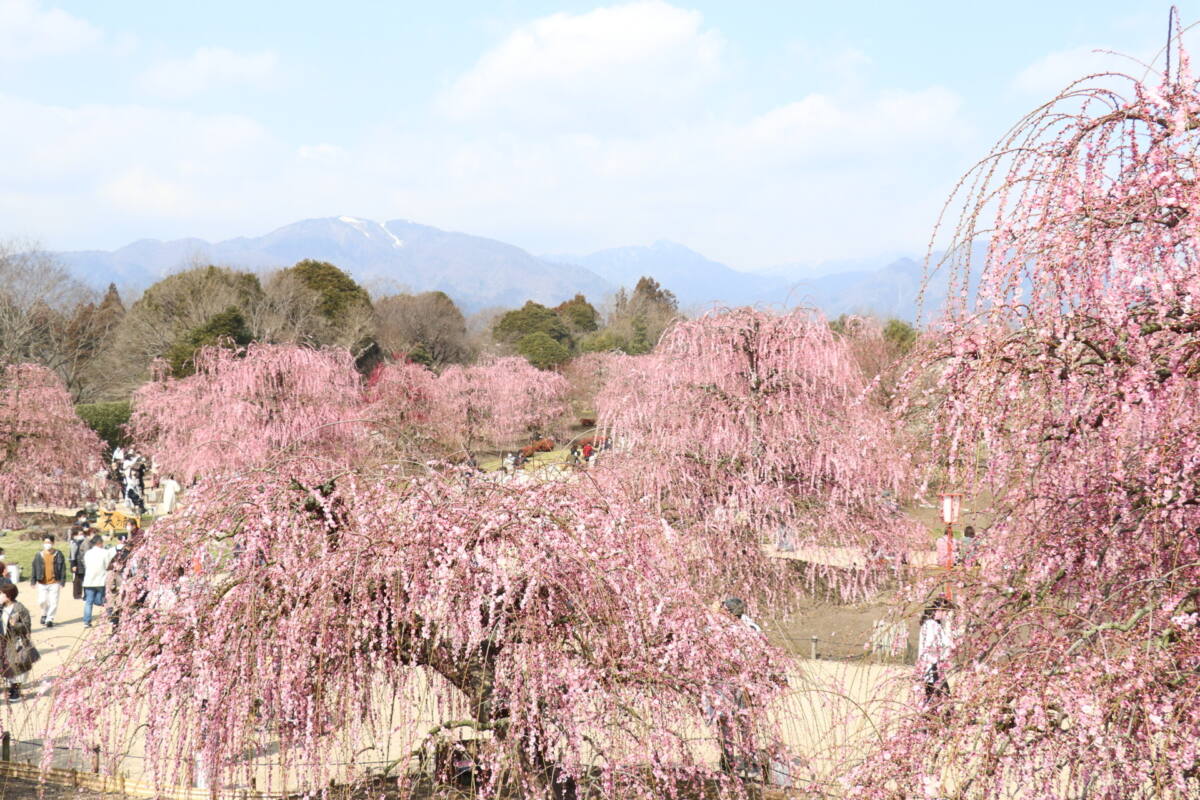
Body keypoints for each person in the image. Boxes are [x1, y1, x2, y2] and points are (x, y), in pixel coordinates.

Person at [711, 597, 764, 779]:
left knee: (726, 721)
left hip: (728, 681)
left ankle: (728, 760)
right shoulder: (752, 627)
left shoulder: (723, 629)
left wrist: (712, 613)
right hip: (747, 681)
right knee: (745, 722)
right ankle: (749, 758)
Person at [0, 583, 39, 700]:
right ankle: (10, 687)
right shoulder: (1, 607)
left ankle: (16, 689)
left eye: (1, 594)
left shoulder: (19, 608)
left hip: (15, 641)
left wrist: (15, 624)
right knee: (5, 666)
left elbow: (27, 627)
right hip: (3, 641)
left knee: (16, 666)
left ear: (8, 595)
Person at [917, 599, 953, 705]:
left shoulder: (935, 624)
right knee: (941, 699)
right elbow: (930, 645)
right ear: (940, 610)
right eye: (946, 612)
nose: (946, 615)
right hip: (931, 667)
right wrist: (944, 646)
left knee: (934, 700)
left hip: (933, 667)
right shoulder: (930, 624)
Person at [29, 535, 66, 628]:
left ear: (53, 543)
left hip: (55, 582)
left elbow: (63, 568)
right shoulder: (39, 555)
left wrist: (62, 581)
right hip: (42, 582)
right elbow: (34, 568)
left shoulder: (58, 554)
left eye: (49, 542)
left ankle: (50, 619)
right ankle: (44, 613)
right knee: (42, 601)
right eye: (45, 542)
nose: (47, 544)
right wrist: (33, 580)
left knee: (53, 602)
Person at [82, 535, 114, 629]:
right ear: (100, 543)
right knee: (105, 599)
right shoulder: (105, 552)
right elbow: (108, 565)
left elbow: (86, 564)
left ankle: (86, 621)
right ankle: (110, 617)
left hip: (89, 580)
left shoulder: (88, 553)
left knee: (89, 601)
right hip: (101, 580)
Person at [70, 528, 90, 600]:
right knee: (78, 579)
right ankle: (77, 594)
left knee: (87, 579)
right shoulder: (74, 543)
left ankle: (87, 595)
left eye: (82, 534)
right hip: (77, 563)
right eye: (80, 534)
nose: (82, 535)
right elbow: (72, 555)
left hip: (86, 562)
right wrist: (73, 565)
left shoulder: (86, 541)